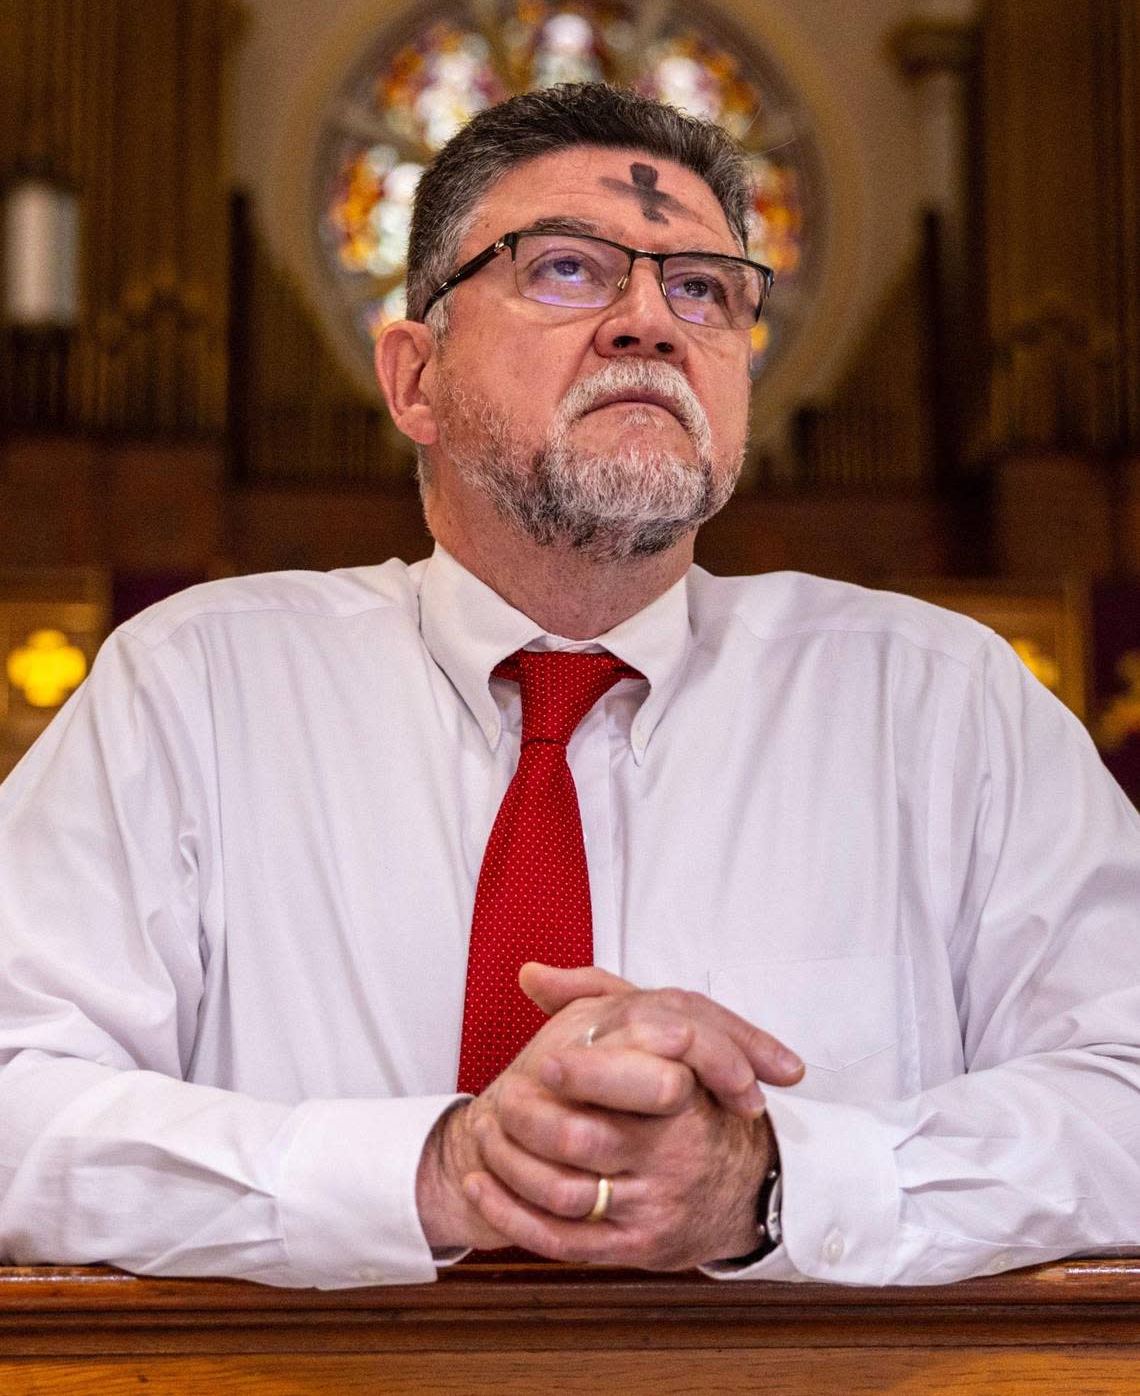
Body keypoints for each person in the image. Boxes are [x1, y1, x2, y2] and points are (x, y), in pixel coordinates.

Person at [0, 82, 1138, 1290]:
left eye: (702, 285)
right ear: (414, 379)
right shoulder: (193, 690)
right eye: (566, 269)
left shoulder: (945, 703)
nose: (651, 321)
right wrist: (437, 1173)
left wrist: (773, 1184)